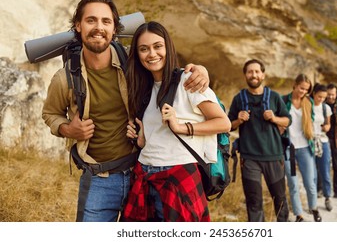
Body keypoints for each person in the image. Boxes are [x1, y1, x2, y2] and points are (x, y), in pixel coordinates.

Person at [42, 0, 210, 222]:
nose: (98, 27)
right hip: (98, 178)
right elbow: (50, 114)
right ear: (78, 26)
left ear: (114, 29)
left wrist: (199, 69)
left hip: (141, 174)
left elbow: (166, 70)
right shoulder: (65, 79)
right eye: (91, 20)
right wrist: (68, 130)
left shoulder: (132, 63)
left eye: (106, 21)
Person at [122, 21, 231, 222]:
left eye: (157, 46)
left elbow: (223, 123)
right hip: (144, 175)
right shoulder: (144, 87)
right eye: (144, 49)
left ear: (168, 47)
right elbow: (157, 137)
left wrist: (181, 127)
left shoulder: (188, 79)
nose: (152, 54)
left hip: (178, 178)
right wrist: (141, 140)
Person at [227, 59, 291, 222]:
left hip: (274, 156)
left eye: (257, 71)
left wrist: (274, 118)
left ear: (263, 74)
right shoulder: (239, 98)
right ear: (245, 75)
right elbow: (228, 126)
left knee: (280, 200)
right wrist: (238, 120)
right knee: (253, 202)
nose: (253, 75)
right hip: (249, 159)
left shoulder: (274, 97)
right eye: (250, 72)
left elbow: (287, 121)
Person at [282, 74, 322, 222]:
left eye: (306, 89)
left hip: (305, 147)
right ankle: (299, 214)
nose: (303, 91)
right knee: (292, 183)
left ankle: (314, 208)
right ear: (295, 85)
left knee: (309, 182)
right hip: (288, 149)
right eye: (301, 88)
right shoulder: (283, 100)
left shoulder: (308, 101)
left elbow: (311, 122)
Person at [311, 83, 333, 211]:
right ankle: (313, 201)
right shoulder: (307, 106)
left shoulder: (326, 108)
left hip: (323, 141)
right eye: (319, 97)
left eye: (324, 98)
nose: (321, 100)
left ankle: (327, 197)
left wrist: (327, 127)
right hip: (309, 142)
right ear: (314, 93)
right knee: (312, 173)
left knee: (325, 171)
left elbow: (328, 124)